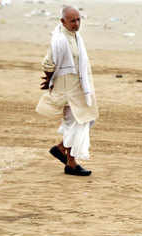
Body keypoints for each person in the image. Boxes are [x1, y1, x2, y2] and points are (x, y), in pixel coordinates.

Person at [36, 5, 99, 176]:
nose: (76, 24)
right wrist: (48, 79)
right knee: (78, 120)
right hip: (67, 90)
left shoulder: (76, 36)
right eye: (72, 21)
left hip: (78, 88)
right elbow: (47, 63)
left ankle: (63, 150)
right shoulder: (59, 39)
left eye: (78, 20)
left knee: (84, 119)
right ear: (62, 21)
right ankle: (69, 160)